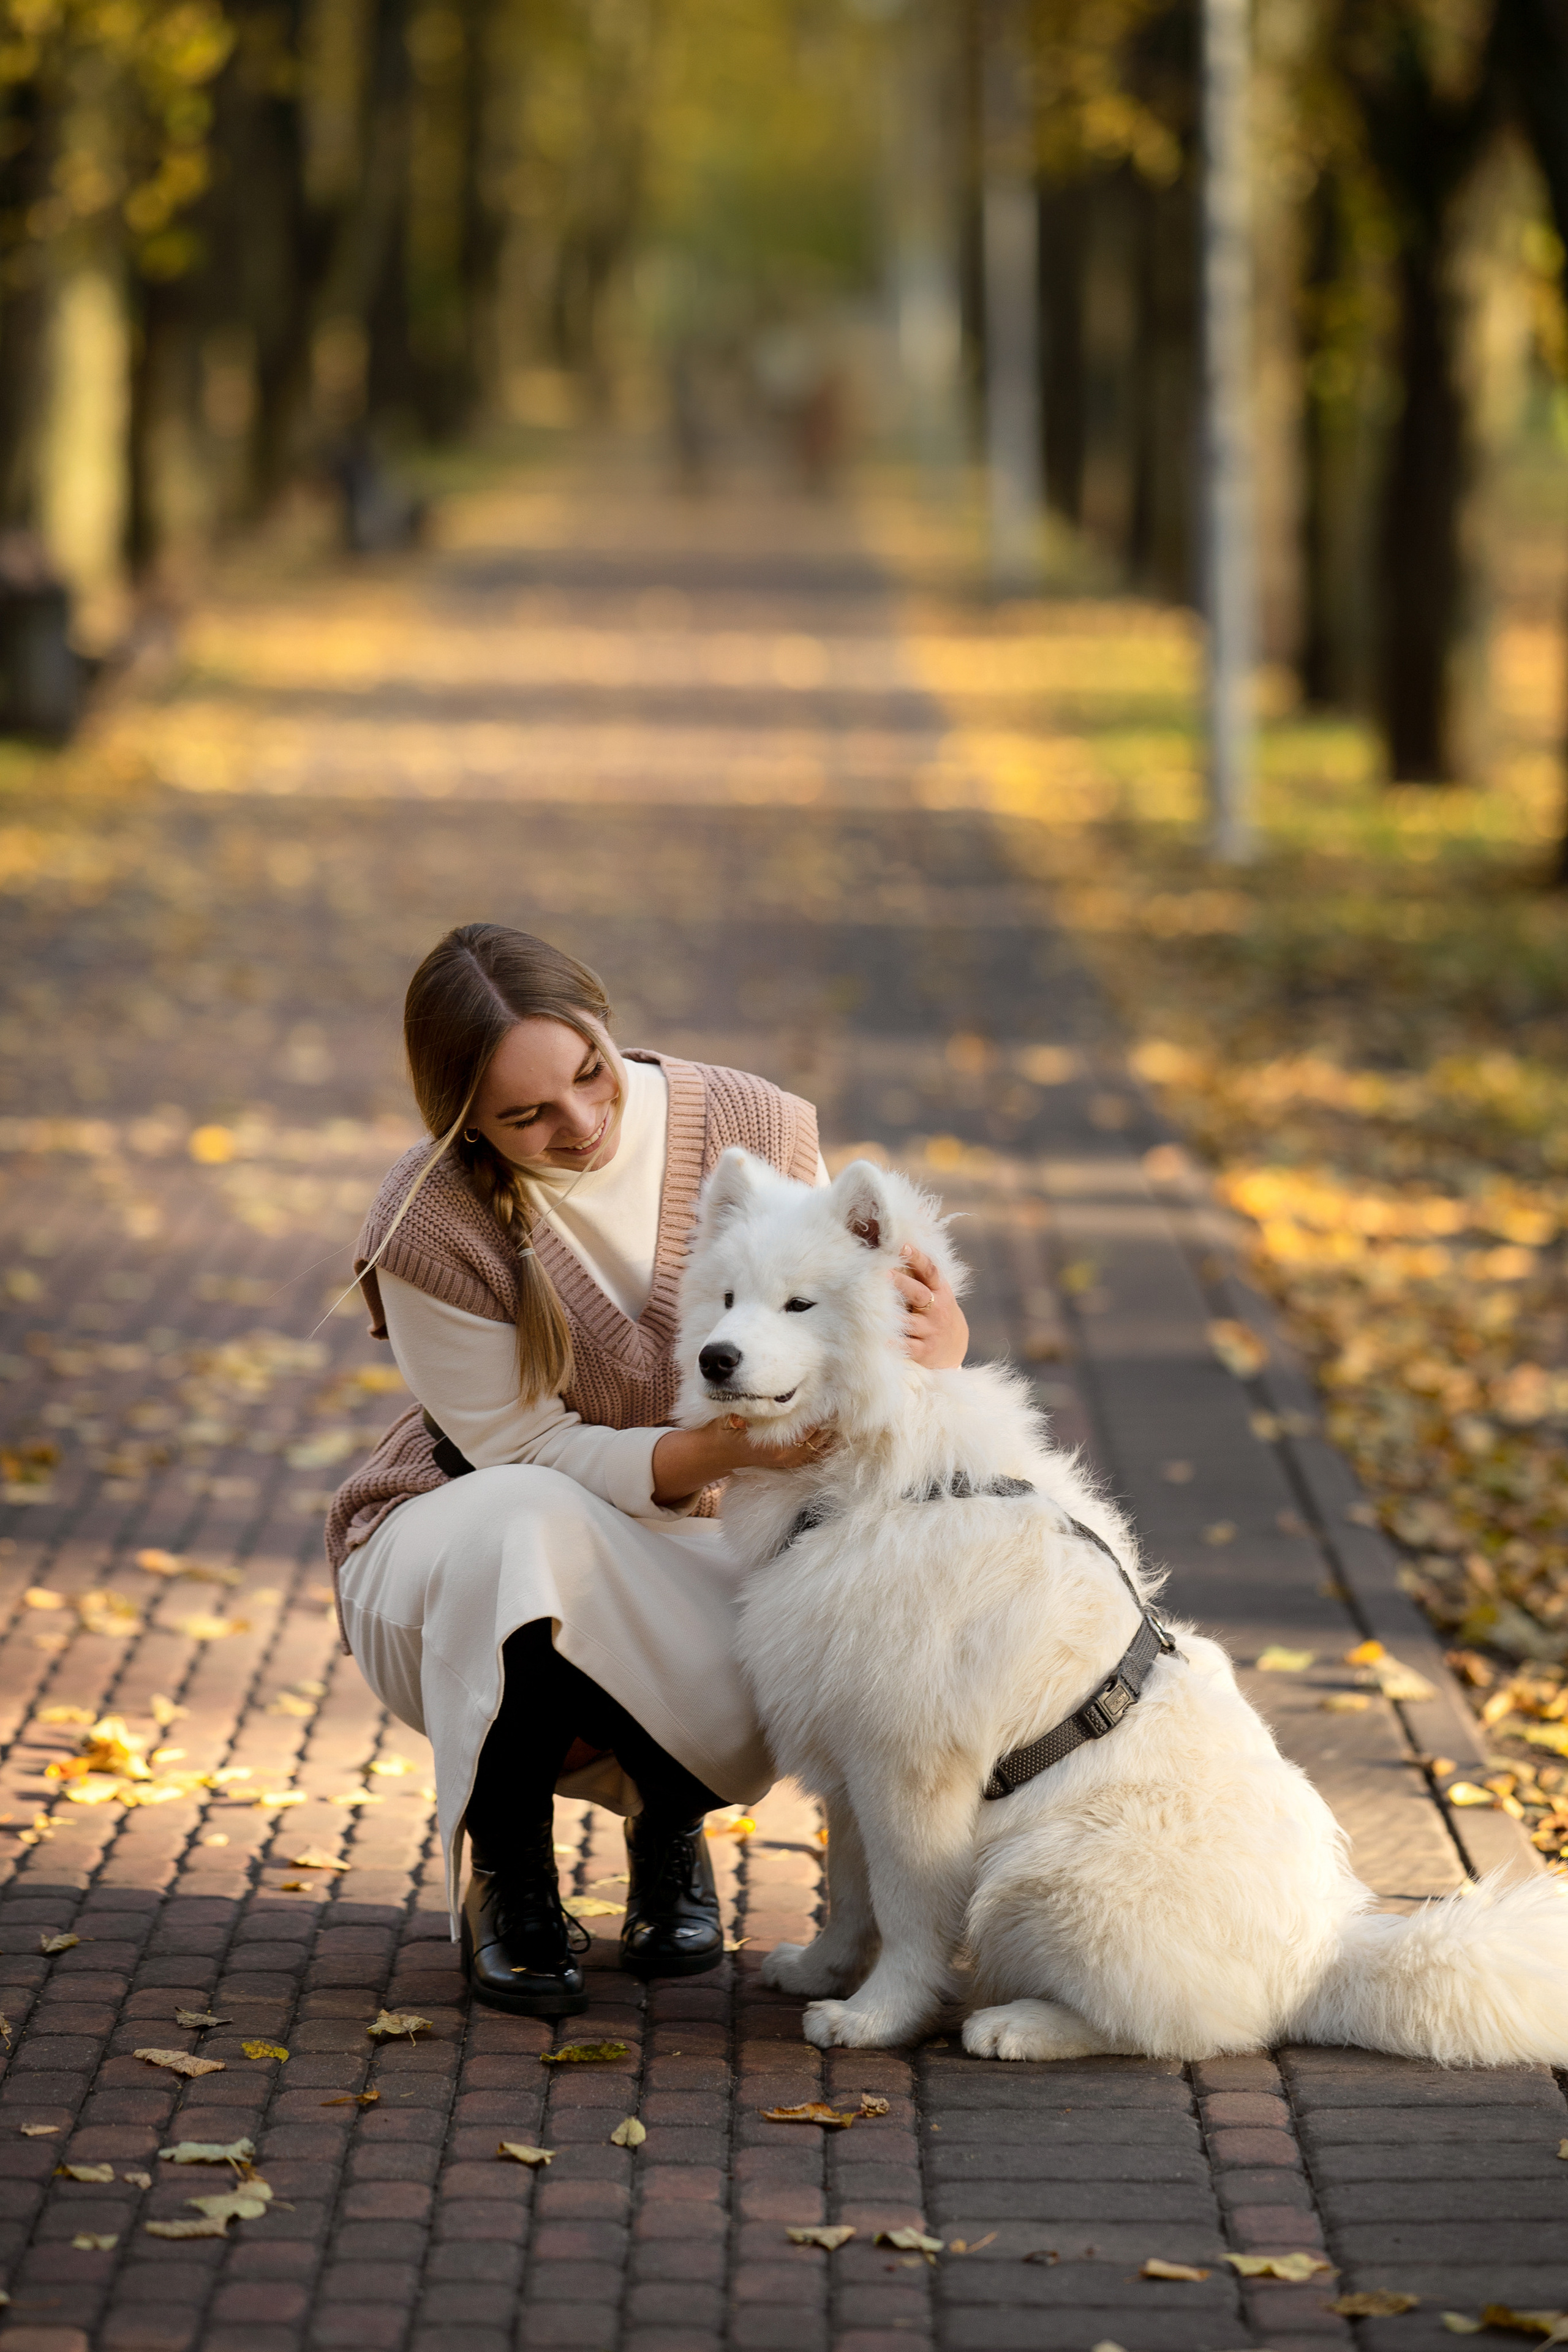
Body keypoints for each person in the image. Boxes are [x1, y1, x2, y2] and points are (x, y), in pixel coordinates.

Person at [326, 923, 969, 2016]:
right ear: (463, 1122)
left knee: (826, 1623)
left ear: (605, 1025)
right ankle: (510, 1867)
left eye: (590, 1075)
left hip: (717, 1526)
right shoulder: (429, 1219)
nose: (578, 1125)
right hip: (459, 1529)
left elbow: (839, 1311)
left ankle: (668, 1830)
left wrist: (938, 1340)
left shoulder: (749, 1123)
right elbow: (520, 1447)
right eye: (525, 1116)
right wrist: (711, 1450)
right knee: (529, 1522)